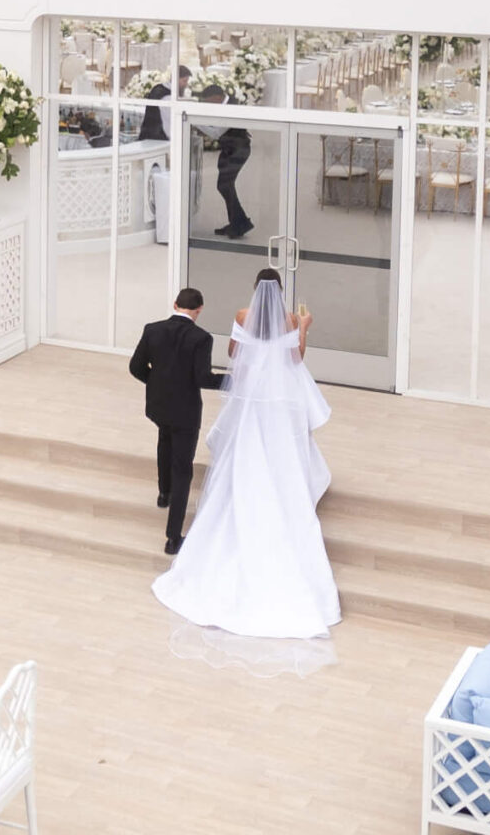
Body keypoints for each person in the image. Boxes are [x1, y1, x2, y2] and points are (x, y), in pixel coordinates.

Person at [151, 268, 341, 640]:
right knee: (282, 444)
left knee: (246, 442)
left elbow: (234, 353)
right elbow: (296, 358)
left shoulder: (242, 315)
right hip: (278, 393)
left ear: (255, 290)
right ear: (280, 291)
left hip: (253, 391)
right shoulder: (290, 319)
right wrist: (304, 327)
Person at [127, 287, 220, 555]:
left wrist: (157, 384)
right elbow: (203, 379)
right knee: (183, 469)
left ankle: (163, 494)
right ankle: (172, 537)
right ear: (199, 310)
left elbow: (135, 367)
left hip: (159, 406)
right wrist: (233, 380)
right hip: (186, 411)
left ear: (175, 304)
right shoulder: (202, 338)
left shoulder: (152, 329)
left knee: (164, 440)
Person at [193, 86, 253, 240]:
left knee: (224, 186)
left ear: (218, 97)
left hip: (238, 150)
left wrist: (194, 122)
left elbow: (216, 132)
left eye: (209, 102)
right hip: (230, 149)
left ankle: (240, 223)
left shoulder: (230, 107)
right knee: (225, 186)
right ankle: (237, 223)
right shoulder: (224, 104)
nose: (208, 105)